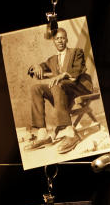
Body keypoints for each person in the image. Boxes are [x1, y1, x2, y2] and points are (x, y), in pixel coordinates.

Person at [26, 27, 93, 155]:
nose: (60, 41)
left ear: (66, 39)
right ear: (53, 41)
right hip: (61, 92)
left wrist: (62, 75)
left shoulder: (76, 52)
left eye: (62, 38)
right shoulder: (51, 60)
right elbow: (33, 72)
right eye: (57, 39)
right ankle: (42, 134)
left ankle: (70, 132)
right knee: (36, 88)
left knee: (58, 84)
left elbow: (77, 72)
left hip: (79, 88)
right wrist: (35, 66)